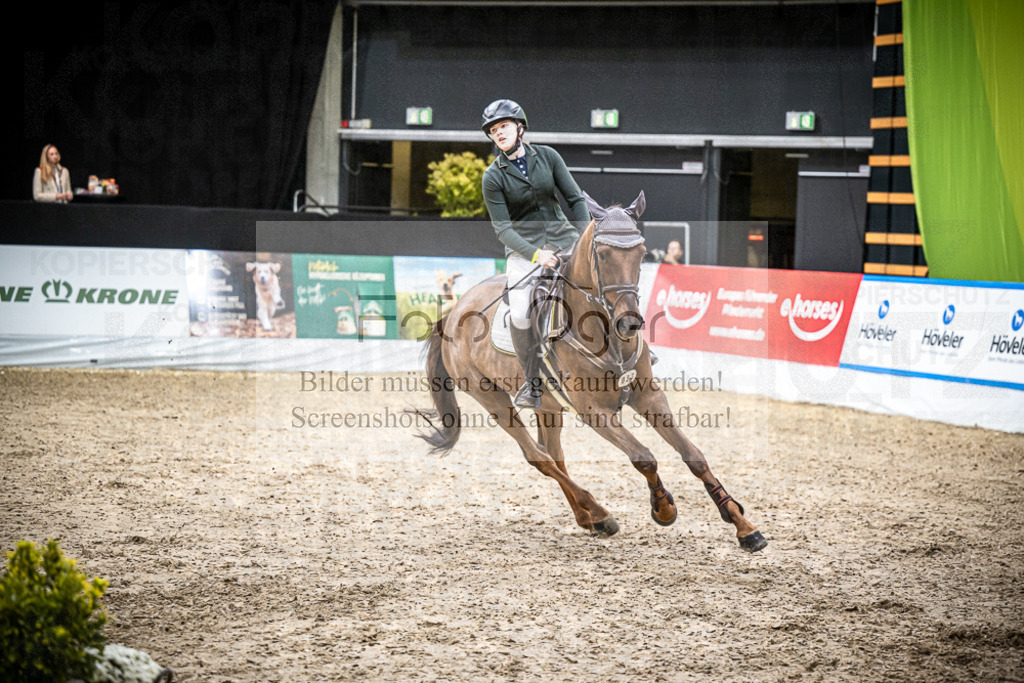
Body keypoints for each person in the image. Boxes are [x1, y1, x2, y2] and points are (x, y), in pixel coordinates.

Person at [480, 99, 590, 409]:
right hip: (524, 251)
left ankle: (634, 348)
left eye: (503, 126)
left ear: (520, 127)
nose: (498, 133)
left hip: (565, 239)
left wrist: (583, 236)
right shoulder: (493, 177)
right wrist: (535, 255)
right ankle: (531, 383)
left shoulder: (549, 157)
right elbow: (503, 229)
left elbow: (575, 200)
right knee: (519, 311)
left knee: (603, 279)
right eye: (492, 130)